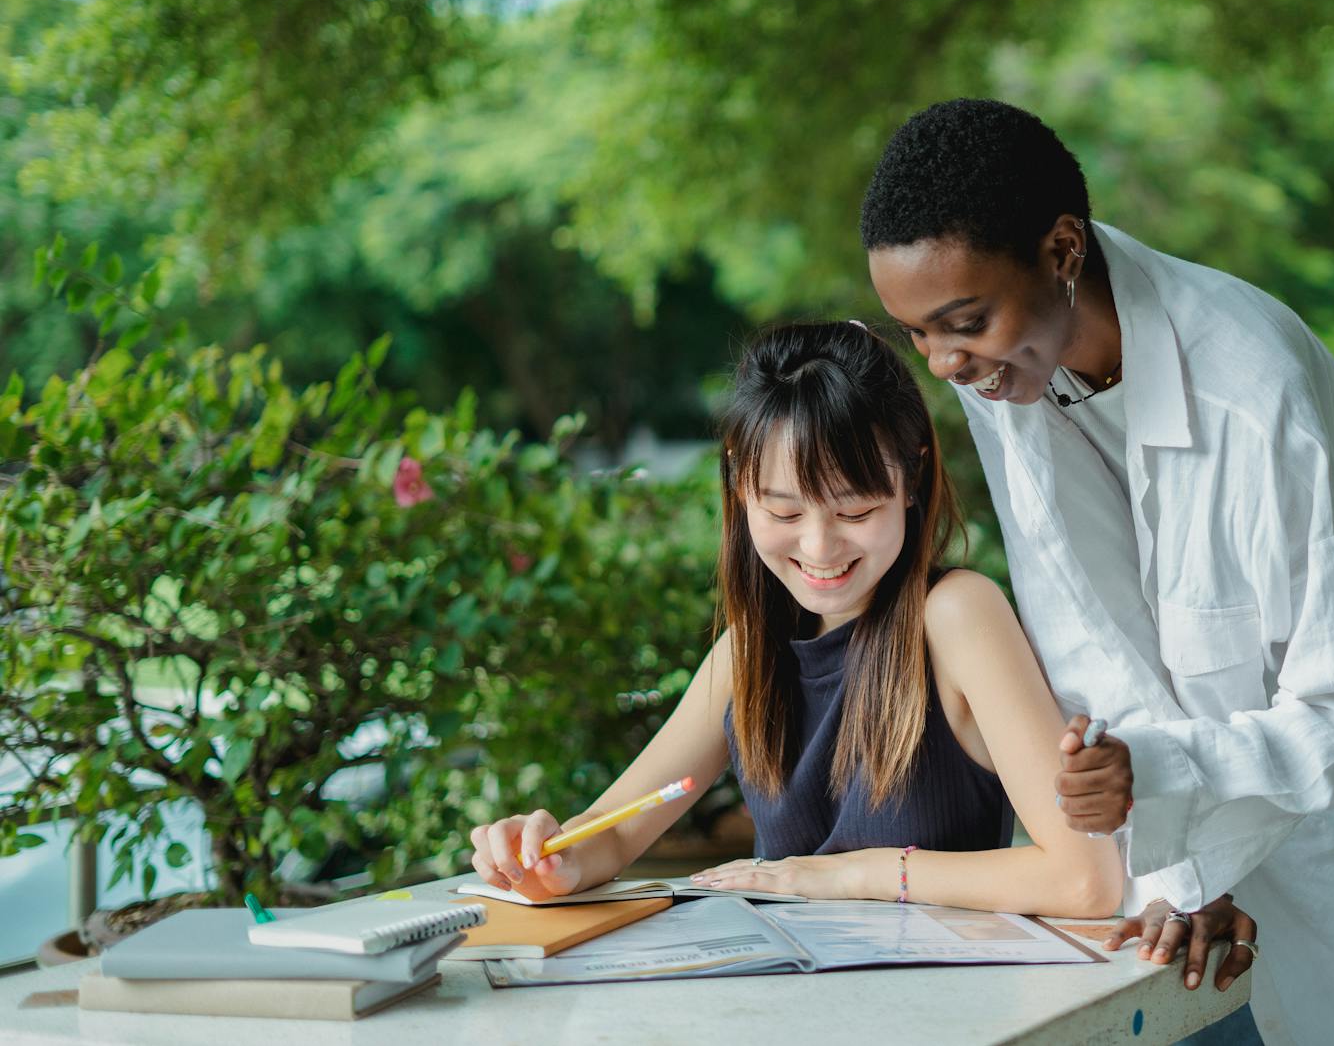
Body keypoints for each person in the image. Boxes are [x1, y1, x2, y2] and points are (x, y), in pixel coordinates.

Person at [862, 99, 1334, 1043]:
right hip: (1222, 750)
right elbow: (1089, 627)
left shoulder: (1252, 390)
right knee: (1215, 982)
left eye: (959, 323)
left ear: (1062, 252)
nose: (941, 363)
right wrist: (1185, 866)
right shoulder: (1008, 362)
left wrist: (1159, 770)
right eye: (916, 334)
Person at [468, 321, 1177, 932]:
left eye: (855, 510)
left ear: (912, 478)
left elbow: (1085, 879)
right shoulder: (746, 652)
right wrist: (546, 855)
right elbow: (616, 831)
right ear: (740, 484)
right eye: (782, 513)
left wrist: (849, 874)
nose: (819, 547)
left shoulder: (955, 615)